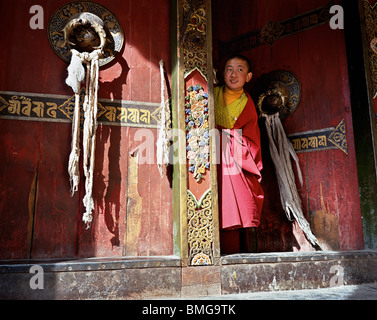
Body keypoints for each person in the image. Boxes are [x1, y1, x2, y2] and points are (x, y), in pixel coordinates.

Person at [214, 54, 264, 253]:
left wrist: (226, 136)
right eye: (229, 69)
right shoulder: (212, 94)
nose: (233, 74)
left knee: (237, 198)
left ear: (249, 76)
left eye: (240, 69)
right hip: (210, 153)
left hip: (233, 157)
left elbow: (252, 139)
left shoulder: (248, 104)